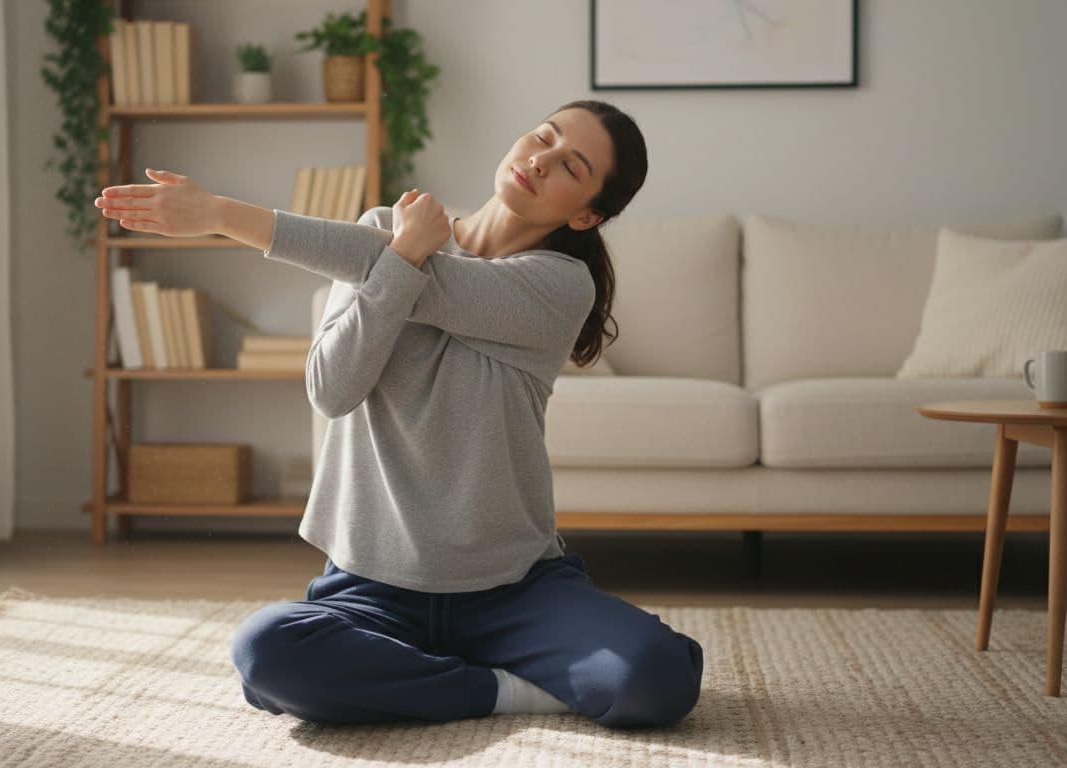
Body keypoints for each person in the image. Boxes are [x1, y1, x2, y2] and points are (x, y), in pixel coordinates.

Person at [92, 99, 704, 729]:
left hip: (515, 590)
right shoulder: (386, 229)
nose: (540, 160)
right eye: (542, 137)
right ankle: (503, 691)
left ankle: (420, 679)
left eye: (570, 166)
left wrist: (222, 214)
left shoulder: (559, 285)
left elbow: (437, 286)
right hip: (370, 590)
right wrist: (401, 254)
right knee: (267, 650)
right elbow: (332, 390)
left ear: (587, 213)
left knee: (655, 676)